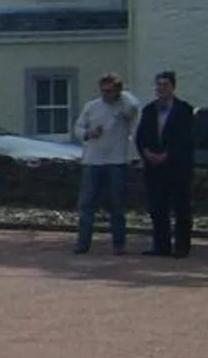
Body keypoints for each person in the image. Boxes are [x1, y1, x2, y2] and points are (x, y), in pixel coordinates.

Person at [70, 73, 139, 254]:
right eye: (103, 90)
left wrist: (123, 94)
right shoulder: (91, 106)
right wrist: (88, 133)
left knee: (117, 204)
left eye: (110, 91)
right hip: (93, 161)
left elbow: (134, 107)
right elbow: (78, 128)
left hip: (116, 161)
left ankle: (119, 244)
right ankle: (83, 243)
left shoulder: (124, 107)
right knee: (87, 204)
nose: (106, 94)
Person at [135, 70, 197, 257]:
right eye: (159, 85)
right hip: (154, 168)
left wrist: (168, 155)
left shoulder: (184, 110)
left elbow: (187, 139)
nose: (161, 88)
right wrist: (147, 153)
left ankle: (182, 247)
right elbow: (140, 136)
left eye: (165, 85)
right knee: (157, 208)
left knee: (181, 208)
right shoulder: (149, 110)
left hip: (177, 168)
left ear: (173, 87)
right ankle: (161, 246)